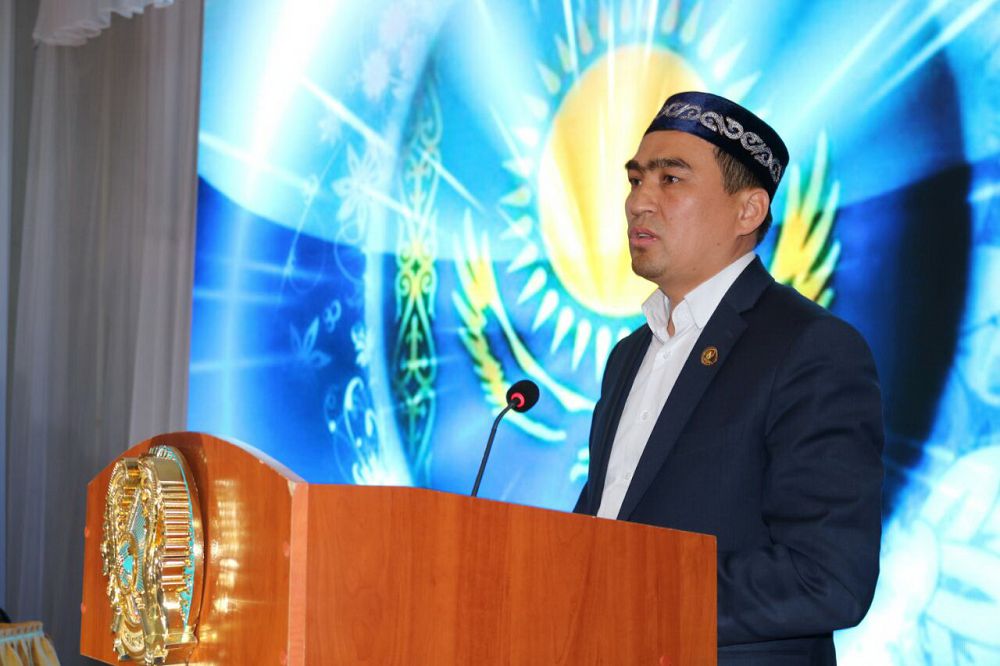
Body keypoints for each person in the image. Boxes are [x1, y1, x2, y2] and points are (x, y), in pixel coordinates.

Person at [573, 91, 884, 665]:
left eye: (670, 179)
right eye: (636, 179)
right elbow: (598, 535)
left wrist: (638, 600)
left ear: (749, 211)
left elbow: (828, 576)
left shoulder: (810, 348)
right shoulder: (628, 357)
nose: (639, 201)